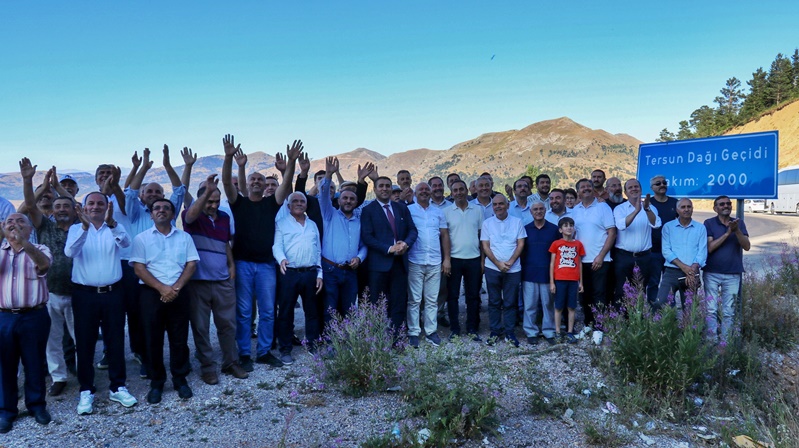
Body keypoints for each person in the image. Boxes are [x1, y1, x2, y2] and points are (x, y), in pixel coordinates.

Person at [222, 135, 301, 371]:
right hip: (244, 264)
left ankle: (264, 352)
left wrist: (291, 162)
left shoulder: (271, 203)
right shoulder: (239, 202)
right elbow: (227, 183)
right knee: (244, 312)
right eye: (253, 179)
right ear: (247, 184)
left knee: (267, 311)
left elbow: (286, 186)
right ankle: (245, 353)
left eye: (260, 179)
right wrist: (229, 159)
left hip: (267, 265)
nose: (256, 182)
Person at [65, 192, 137, 415]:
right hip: (84, 294)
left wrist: (113, 224)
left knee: (115, 339)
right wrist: (85, 229)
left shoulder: (115, 228)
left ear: (108, 207)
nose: (95, 207)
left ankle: (118, 386)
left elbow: (126, 244)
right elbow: (70, 252)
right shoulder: (76, 230)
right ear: (84, 208)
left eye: (100, 204)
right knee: (85, 343)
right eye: (91, 204)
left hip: (113, 293)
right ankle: (86, 389)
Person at [130, 198, 199, 403]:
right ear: (151, 214)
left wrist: (174, 288)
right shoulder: (141, 239)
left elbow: (191, 264)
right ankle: (156, 382)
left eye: (166, 208)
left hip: (179, 291)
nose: (161, 211)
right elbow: (139, 268)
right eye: (157, 208)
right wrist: (162, 288)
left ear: (172, 213)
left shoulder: (184, 237)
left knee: (179, 337)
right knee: (153, 338)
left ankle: (180, 379)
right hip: (151, 294)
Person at [183, 175, 249, 385]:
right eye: (209, 201)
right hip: (198, 282)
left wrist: (231, 267)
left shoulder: (224, 218)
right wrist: (207, 191)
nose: (213, 205)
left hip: (222, 281)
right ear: (201, 200)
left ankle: (230, 362)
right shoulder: (191, 216)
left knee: (228, 324)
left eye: (216, 201)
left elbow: (225, 244)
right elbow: (190, 217)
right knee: (201, 328)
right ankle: (207, 367)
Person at [20, 159, 75, 397]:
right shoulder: (45, 227)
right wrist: (30, 181)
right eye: (58, 206)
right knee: (52, 340)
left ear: (74, 209)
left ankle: (84, 374)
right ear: (52, 210)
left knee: (80, 338)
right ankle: (59, 377)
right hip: (50, 291)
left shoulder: (81, 227)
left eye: (66, 206)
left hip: (77, 292)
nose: (61, 209)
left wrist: (58, 188)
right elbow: (30, 205)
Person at [0, 213, 53, 433]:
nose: (15, 224)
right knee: (5, 366)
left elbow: (44, 265)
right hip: (4, 316)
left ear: (31, 229)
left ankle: (36, 406)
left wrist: (23, 243)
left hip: (34, 315)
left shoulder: (40, 249)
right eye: (9, 222)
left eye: (21, 221)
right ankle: (6, 411)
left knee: (34, 363)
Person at [360, 176, 418, 337]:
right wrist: (389, 248)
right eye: (381, 186)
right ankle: (377, 338)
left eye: (387, 186)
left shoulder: (401, 208)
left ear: (392, 189)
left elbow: (413, 230)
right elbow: (367, 237)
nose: (384, 189)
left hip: (400, 264)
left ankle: (397, 338)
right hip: (378, 266)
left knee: (399, 302)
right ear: (375, 189)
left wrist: (405, 244)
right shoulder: (368, 210)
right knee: (377, 304)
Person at [273, 192, 324, 365]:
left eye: (302, 201)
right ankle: (285, 349)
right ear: (288, 206)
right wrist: (281, 259)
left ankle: (312, 345)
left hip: (310, 273)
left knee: (312, 312)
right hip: (290, 273)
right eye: (294, 201)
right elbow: (276, 245)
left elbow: (318, 250)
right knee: (286, 312)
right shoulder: (281, 224)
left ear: (306, 205)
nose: (299, 203)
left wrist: (320, 273)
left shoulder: (312, 225)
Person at [318, 158, 366, 325]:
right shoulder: (329, 214)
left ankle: (347, 345)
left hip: (350, 272)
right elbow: (323, 195)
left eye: (352, 199)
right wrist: (329, 175)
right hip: (330, 269)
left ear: (355, 202)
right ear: (338, 200)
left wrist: (359, 258)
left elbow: (363, 246)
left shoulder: (358, 221)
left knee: (350, 310)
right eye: (345, 198)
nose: (348, 201)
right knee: (330, 310)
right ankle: (331, 347)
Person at [571, 179, 616, 336]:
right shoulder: (574, 211)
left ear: (594, 190)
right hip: (580, 261)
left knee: (599, 295)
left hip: (600, 260)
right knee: (584, 295)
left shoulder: (603, 208)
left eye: (589, 186)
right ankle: (588, 324)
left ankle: (600, 328)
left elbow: (612, 233)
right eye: (582, 187)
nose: (586, 189)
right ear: (578, 192)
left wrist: (601, 256)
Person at [406, 182, 449, 347]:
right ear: (415, 193)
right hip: (414, 260)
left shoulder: (438, 212)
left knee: (432, 299)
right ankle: (413, 332)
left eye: (426, 189)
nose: (424, 191)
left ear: (431, 192)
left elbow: (444, 236)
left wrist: (447, 259)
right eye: (421, 189)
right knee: (414, 299)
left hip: (434, 261)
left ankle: (431, 331)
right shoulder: (409, 210)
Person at [481, 195, 526, 347]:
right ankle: (494, 332)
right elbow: (486, 246)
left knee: (510, 302)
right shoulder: (487, 223)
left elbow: (520, 244)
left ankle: (510, 333)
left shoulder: (517, 222)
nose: (498, 207)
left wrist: (511, 262)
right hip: (493, 268)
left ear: (508, 205)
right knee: (493, 301)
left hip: (513, 269)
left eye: (501, 204)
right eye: (495, 204)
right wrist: (498, 263)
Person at [703, 196, 750, 342]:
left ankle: (725, 343)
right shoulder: (709, 223)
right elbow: (710, 247)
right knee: (711, 310)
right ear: (715, 208)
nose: (726, 206)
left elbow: (747, 246)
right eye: (722, 204)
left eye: (728, 204)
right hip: (712, 272)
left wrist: (736, 231)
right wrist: (728, 233)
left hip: (733, 273)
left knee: (729, 311)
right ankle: (711, 341)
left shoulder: (739, 223)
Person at [443, 180, 484, 341]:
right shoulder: (446, 212)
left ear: (467, 190)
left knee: (473, 296)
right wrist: (446, 260)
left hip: (474, 259)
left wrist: (482, 261)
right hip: (454, 259)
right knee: (452, 296)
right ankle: (455, 329)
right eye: (455, 190)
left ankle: (472, 328)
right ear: (451, 192)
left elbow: (482, 238)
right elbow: (445, 238)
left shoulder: (478, 210)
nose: (459, 192)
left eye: (461, 189)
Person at [612, 179, 660, 305]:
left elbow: (656, 224)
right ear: (626, 192)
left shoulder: (651, 208)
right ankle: (621, 322)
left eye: (636, 186)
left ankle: (637, 322)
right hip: (624, 257)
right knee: (621, 291)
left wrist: (647, 209)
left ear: (641, 189)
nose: (634, 189)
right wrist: (636, 211)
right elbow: (621, 225)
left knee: (640, 291)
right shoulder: (619, 209)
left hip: (644, 258)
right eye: (630, 187)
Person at [656, 198, 707, 310]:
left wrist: (692, 269)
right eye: (683, 207)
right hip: (671, 272)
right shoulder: (668, 227)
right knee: (661, 303)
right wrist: (684, 268)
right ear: (677, 210)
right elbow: (666, 251)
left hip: (692, 272)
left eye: (689, 207)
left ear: (692, 209)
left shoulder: (700, 228)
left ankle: (687, 328)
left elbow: (702, 251)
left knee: (690, 309)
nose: (686, 209)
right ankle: (667, 327)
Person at [520, 201, 560, 345]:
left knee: (548, 304)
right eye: (535, 209)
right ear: (531, 212)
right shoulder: (525, 230)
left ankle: (549, 331)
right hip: (529, 273)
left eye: (541, 209)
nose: (538, 211)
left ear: (545, 210)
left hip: (547, 274)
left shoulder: (554, 229)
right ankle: (531, 332)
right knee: (529, 305)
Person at [549, 217, 585, 343]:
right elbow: (552, 264)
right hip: (560, 279)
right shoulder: (556, 244)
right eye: (565, 225)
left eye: (571, 225)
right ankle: (558, 332)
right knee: (558, 306)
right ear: (560, 229)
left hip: (573, 280)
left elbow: (579, 263)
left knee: (571, 306)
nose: (569, 227)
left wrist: (581, 282)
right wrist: (552, 282)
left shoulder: (578, 244)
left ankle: (570, 332)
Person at [648, 175, 679, 304]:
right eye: (658, 183)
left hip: (671, 251)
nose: (662, 185)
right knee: (653, 283)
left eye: (664, 183)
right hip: (653, 250)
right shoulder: (649, 204)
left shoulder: (675, 203)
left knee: (671, 283)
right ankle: (653, 310)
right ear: (652, 187)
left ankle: (669, 312)